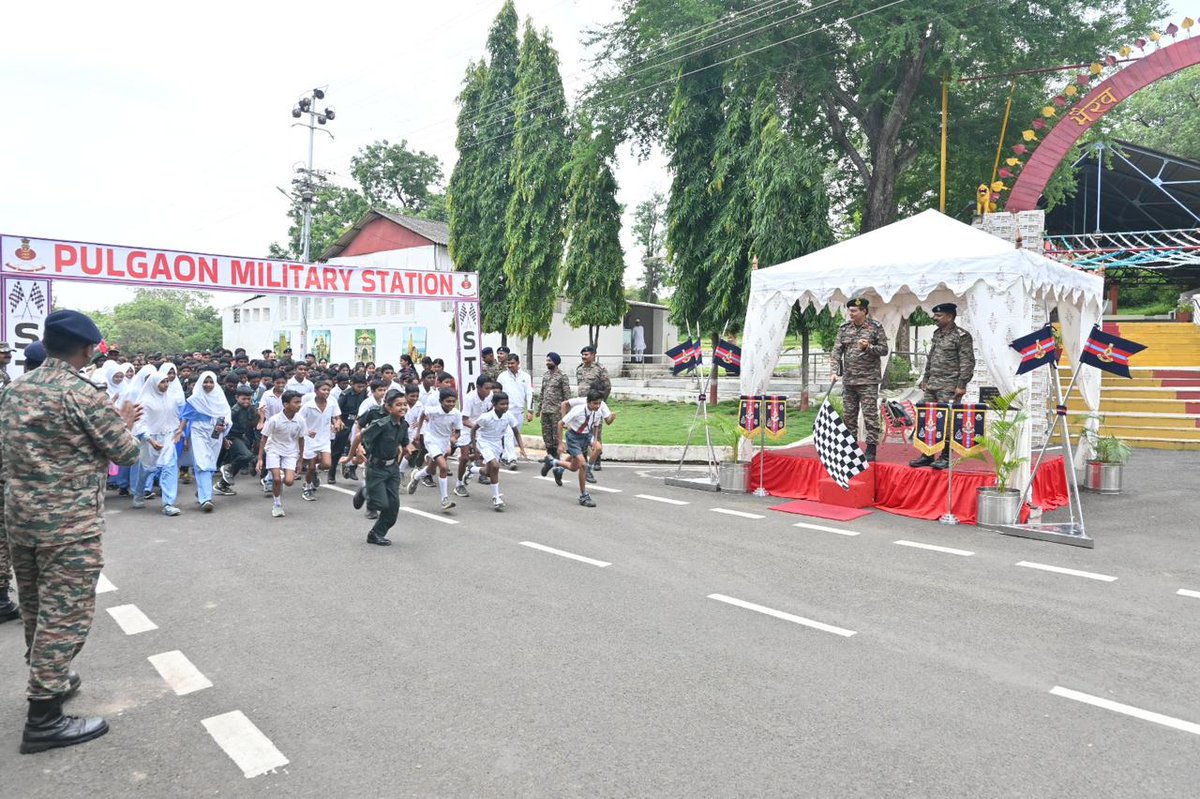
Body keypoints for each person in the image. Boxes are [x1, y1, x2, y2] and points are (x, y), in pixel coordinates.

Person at [0, 309, 142, 754]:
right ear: (87, 349)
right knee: (65, 616)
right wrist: (125, 421)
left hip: (21, 520)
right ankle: (44, 716)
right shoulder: (81, 394)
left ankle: (52, 677)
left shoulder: (15, 390)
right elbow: (127, 452)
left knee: (38, 608)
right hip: (68, 525)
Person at [910, 303, 976, 470]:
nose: (935, 318)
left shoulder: (961, 336)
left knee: (947, 422)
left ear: (949, 317)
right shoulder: (937, 334)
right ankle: (927, 454)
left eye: (938, 316)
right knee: (927, 419)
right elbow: (931, 357)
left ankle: (946, 456)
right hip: (932, 384)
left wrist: (962, 384)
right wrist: (925, 378)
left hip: (950, 386)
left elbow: (967, 362)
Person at [831, 296, 889, 462]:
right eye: (849, 310)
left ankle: (871, 449)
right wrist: (835, 371)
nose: (851, 313)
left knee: (870, 415)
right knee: (849, 417)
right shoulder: (844, 328)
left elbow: (884, 350)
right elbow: (836, 351)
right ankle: (851, 448)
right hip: (849, 381)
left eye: (854, 311)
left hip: (868, 381)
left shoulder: (875, 327)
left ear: (864, 311)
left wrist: (869, 347)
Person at [353, 390, 414, 546]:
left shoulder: (404, 424)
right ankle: (364, 491)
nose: (403, 408)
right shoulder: (381, 424)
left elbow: (405, 442)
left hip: (392, 468)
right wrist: (356, 451)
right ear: (388, 407)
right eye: (398, 405)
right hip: (376, 467)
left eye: (405, 404)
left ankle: (376, 534)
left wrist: (409, 448)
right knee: (380, 504)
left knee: (393, 507)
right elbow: (361, 436)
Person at [541, 390, 615, 508]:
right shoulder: (578, 410)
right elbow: (560, 423)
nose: (597, 406)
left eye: (599, 403)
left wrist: (595, 440)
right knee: (583, 465)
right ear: (588, 402)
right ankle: (583, 495)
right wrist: (560, 444)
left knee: (574, 467)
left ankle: (552, 462)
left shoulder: (598, 412)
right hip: (573, 437)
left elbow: (596, 426)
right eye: (595, 403)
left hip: (586, 436)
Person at [132, 364, 186, 516]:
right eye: (162, 382)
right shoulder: (145, 401)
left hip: (168, 437)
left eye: (167, 382)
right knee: (146, 469)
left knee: (169, 467)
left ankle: (168, 503)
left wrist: (178, 432)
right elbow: (140, 423)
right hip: (150, 439)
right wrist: (150, 440)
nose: (165, 385)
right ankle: (138, 493)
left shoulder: (171, 399)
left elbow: (176, 418)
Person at [180, 372, 231, 512]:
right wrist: (181, 433)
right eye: (205, 382)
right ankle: (206, 499)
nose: (208, 385)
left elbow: (226, 416)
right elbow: (185, 417)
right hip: (199, 431)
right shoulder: (194, 399)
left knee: (210, 464)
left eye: (211, 382)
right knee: (202, 463)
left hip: (215, 433)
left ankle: (203, 490)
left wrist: (224, 427)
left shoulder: (220, 398)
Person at [406, 387, 462, 512]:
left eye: (453, 401)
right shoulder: (433, 411)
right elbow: (422, 415)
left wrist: (453, 438)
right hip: (431, 439)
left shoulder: (456, 413)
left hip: (444, 441)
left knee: (431, 470)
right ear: (441, 401)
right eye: (448, 401)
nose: (451, 404)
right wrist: (418, 432)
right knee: (443, 467)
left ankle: (417, 476)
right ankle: (444, 500)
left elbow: (458, 431)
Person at [257, 390, 307, 518]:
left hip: (290, 452)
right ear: (285, 404)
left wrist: (300, 460)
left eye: (300, 402)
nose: (299, 405)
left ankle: (276, 483)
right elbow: (263, 438)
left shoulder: (300, 420)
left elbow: (301, 440)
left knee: (289, 481)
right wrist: (260, 459)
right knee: (277, 479)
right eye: (296, 402)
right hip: (273, 450)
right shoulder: (274, 420)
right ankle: (277, 504)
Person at [474, 392, 527, 510]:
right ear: (494, 404)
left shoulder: (508, 416)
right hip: (484, 442)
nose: (505, 406)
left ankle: (472, 470)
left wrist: (522, 449)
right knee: (495, 466)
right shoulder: (486, 417)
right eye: (502, 404)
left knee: (488, 471)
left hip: (497, 445)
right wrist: (475, 448)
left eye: (507, 404)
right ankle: (496, 497)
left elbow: (516, 432)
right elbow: (474, 429)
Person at [299, 380, 340, 501]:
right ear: (316, 391)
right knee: (310, 467)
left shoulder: (332, 403)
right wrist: (306, 432)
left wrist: (337, 423)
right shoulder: (308, 406)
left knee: (327, 464)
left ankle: (314, 472)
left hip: (324, 438)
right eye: (323, 390)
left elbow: (337, 417)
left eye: (328, 390)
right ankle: (307, 487)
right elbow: (299, 421)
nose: (326, 392)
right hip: (310, 439)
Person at [575, 345, 612, 477]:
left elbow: (607, 386)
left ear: (593, 355)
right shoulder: (579, 369)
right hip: (583, 407)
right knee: (583, 432)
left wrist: (600, 402)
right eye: (583, 355)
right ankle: (584, 458)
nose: (584, 357)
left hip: (595, 406)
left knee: (596, 433)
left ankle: (597, 460)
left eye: (586, 355)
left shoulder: (600, 369)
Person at [216, 386, 257, 493]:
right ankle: (227, 468)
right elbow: (222, 425)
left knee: (240, 460)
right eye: (244, 399)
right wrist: (224, 439)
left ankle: (222, 485)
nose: (247, 401)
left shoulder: (251, 409)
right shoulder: (233, 411)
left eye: (249, 399)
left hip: (241, 437)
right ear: (237, 398)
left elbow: (254, 424)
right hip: (231, 437)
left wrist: (261, 416)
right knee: (245, 456)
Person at [497, 354, 533, 468]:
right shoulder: (502, 376)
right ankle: (512, 459)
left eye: (512, 363)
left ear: (518, 363)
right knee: (508, 433)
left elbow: (529, 393)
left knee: (514, 435)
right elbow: (497, 391)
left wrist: (530, 410)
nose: (510, 365)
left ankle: (504, 456)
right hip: (506, 411)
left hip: (520, 411)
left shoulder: (526, 376)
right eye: (508, 363)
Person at [333, 374, 368, 483]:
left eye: (363, 386)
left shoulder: (364, 394)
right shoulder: (345, 395)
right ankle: (332, 473)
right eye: (358, 386)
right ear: (352, 384)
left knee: (358, 448)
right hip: (345, 423)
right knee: (337, 450)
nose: (360, 389)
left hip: (358, 423)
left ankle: (352, 468)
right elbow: (337, 410)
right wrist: (338, 422)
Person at [537, 352, 571, 458]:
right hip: (545, 410)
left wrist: (566, 414)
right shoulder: (546, 375)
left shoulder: (562, 376)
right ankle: (549, 456)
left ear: (555, 362)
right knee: (546, 435)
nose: (547, 363)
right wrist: (539, 408)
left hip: (556, 411)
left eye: (549, 361)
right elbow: (542, 392)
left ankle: (556, 457)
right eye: (547, 360)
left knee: (557, 435)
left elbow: (567, 396)